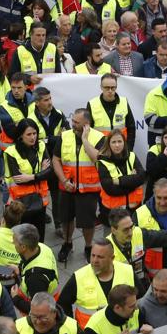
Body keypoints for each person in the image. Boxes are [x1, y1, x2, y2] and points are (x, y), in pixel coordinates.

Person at [51, 109, 104, 264]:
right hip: (67, 188)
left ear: (86, 124)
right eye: (73, 121)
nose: (72, 124)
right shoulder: (65, 136)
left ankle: (88, 247)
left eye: (76, 122)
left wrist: (85, 139)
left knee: (88, 222)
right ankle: (67, 243)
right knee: (66, 219)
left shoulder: (98, 138)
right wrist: (63, 180)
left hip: (89, 190)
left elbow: (96, 158)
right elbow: (56, 159)